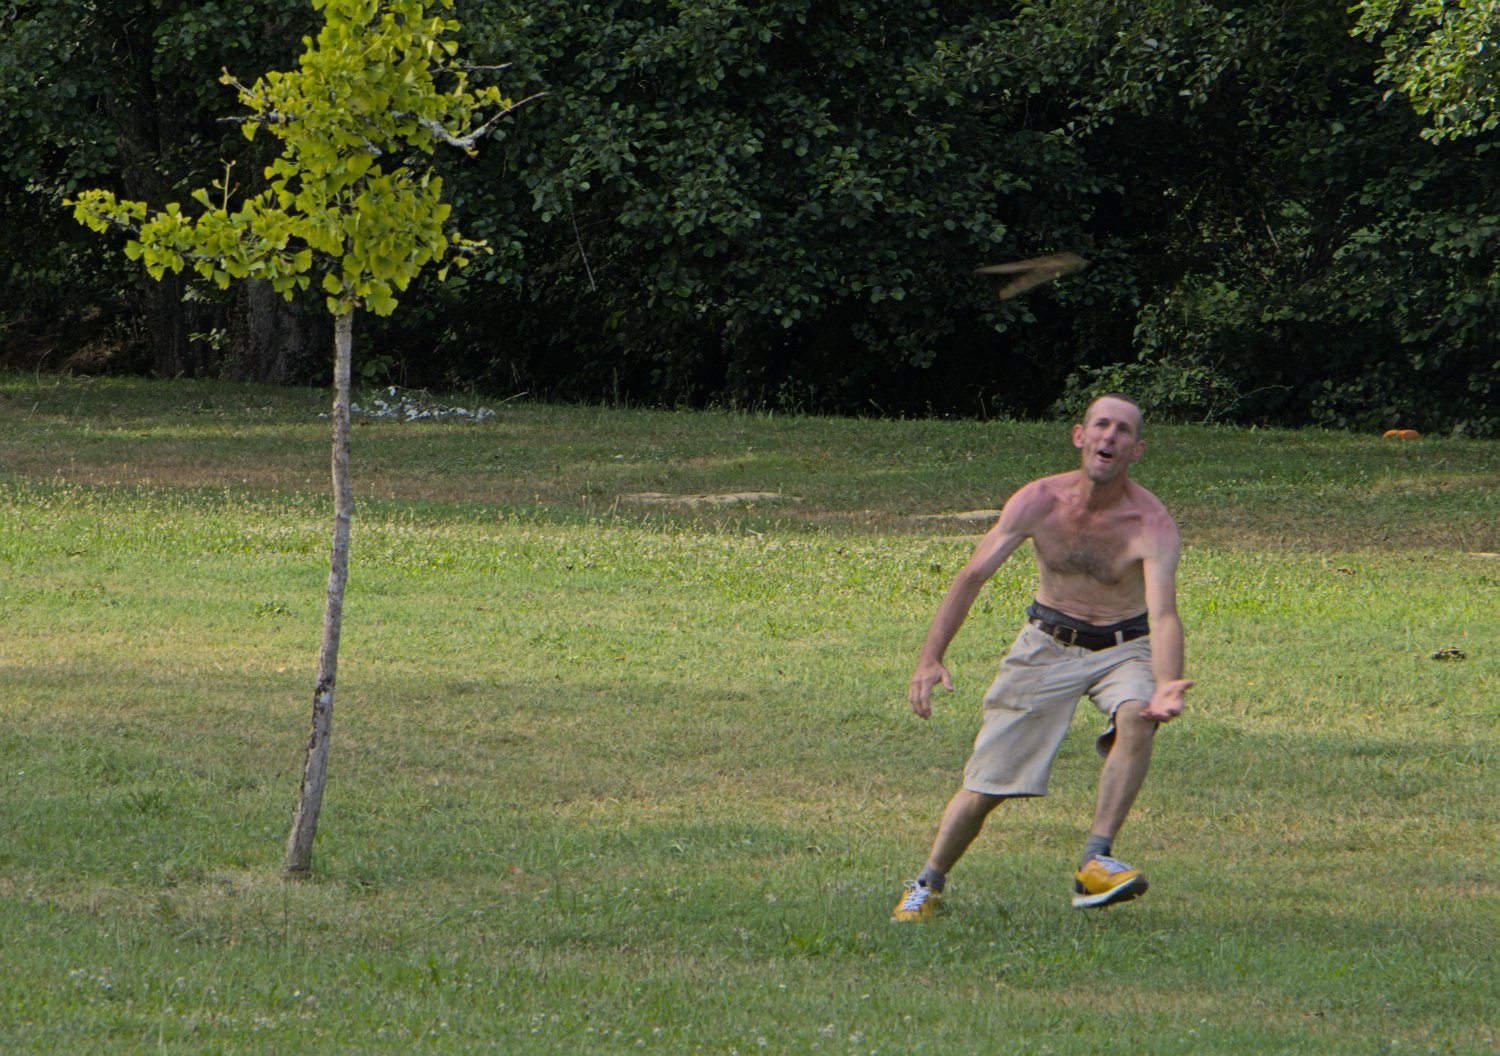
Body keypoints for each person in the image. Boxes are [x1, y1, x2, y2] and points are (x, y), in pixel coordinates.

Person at [894, 394, 1191, 920]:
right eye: (1101, 426)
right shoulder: (1037, 500)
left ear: (1136, 450)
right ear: (1080, 436)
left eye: (1122, 431)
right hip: (1046, 643)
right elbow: (971, 576)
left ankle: (1095, 861)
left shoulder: (1151, 521)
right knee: (986, 785)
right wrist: (930, 657)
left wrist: (1167, 681)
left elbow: (1163, 614)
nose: (1109, 437)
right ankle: (927, 883)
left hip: (1125, 646)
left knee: (1138, 716)